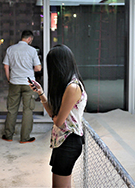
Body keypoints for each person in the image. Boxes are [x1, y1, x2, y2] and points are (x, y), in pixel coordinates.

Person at [28, 44, 87, 187]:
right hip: (64, 141)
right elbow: (55, 117)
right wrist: (41, 93)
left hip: (68, 142)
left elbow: (59, 121)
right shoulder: (70, 84)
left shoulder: (72, 87)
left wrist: (55, 117)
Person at [2, 30, 41, 143]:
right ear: (29, 39)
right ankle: (24, 138)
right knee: (28, 110)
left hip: (14, 82)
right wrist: (29, 69)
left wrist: (10, 79)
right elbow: (38, 68)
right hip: (28, 83)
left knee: (12, 109)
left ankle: (8, 135)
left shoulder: (10, 49)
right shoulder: (32, 50)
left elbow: (6, 66)